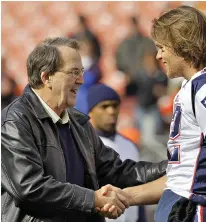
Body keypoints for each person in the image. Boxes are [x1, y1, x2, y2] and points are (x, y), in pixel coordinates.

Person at [98, 5, 206, 222]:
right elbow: (181, 178)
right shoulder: (193, 84)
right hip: (183, 207)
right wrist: (126, 196)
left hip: (199, 211)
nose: (158, 55)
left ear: (180, 44)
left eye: (162, 47)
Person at [1, 37, 168, 222]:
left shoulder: (78, 123)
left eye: (81, 71)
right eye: (73, 72)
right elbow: (29, 187)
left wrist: (170, 166)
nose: (81, 80)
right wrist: (93, 199)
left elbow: (115, 171)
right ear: (46, 77)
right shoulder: (15, 121)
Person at [75, 83, 147, 222]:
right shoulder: (82, 145)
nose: (111, 111)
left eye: (115, 105)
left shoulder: (129, 145)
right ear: (91, 111)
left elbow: (139, 186)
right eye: (104, 106)